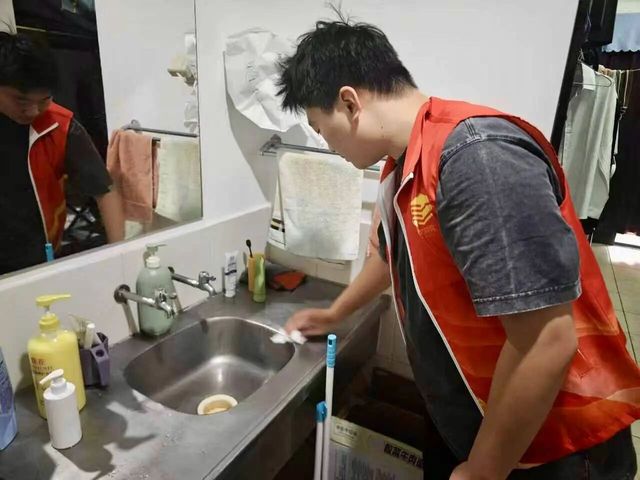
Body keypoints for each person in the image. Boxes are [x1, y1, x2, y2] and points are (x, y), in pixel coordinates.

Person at [279, 19, 640, 480]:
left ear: (350, 103)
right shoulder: (403, 164)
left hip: (555, 446)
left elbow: (546, 341)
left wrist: (483, 470)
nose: (326, 144)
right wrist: (335, 313)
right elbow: (391, 256)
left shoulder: (475, 156)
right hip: (483, 425)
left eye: (320, 128)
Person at [0, 32, 124, 275]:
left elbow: (105, 190)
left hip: (36, 257)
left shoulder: (60, 126)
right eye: (21, 101)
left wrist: (119, 258)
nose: (33, 111)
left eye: (44, 100)